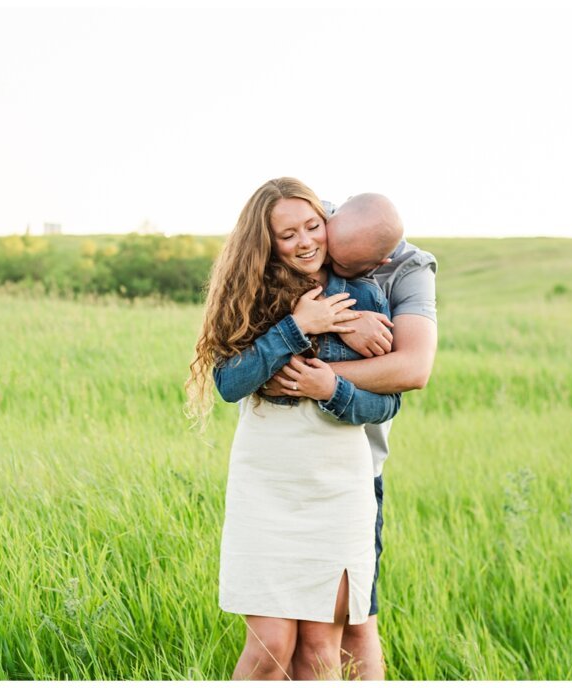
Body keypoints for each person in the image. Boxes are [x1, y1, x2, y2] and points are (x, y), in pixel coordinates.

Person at [185, 178, 403, 680]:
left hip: (337, 486)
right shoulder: (250, 293)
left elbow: (386, 401)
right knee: (270, 647)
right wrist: (300, 325)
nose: (305, 241)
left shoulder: (363, 293)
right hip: (269, 482)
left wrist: (331, 388)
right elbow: (229, 382)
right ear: (265, 241)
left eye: (312, 226)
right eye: (288, 235)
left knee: (320, 654)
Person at [265, 193, 439, 680]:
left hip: (357, 466)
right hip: (282, 467)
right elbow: (249, 311)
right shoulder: (309, 220)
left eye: (346, 268)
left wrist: (321, 376)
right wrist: (345, 320)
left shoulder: (409, 268)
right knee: (282, 631)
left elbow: (413, 367)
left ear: (378, 263)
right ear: (329, 215)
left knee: (353, 623)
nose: (327, 269)